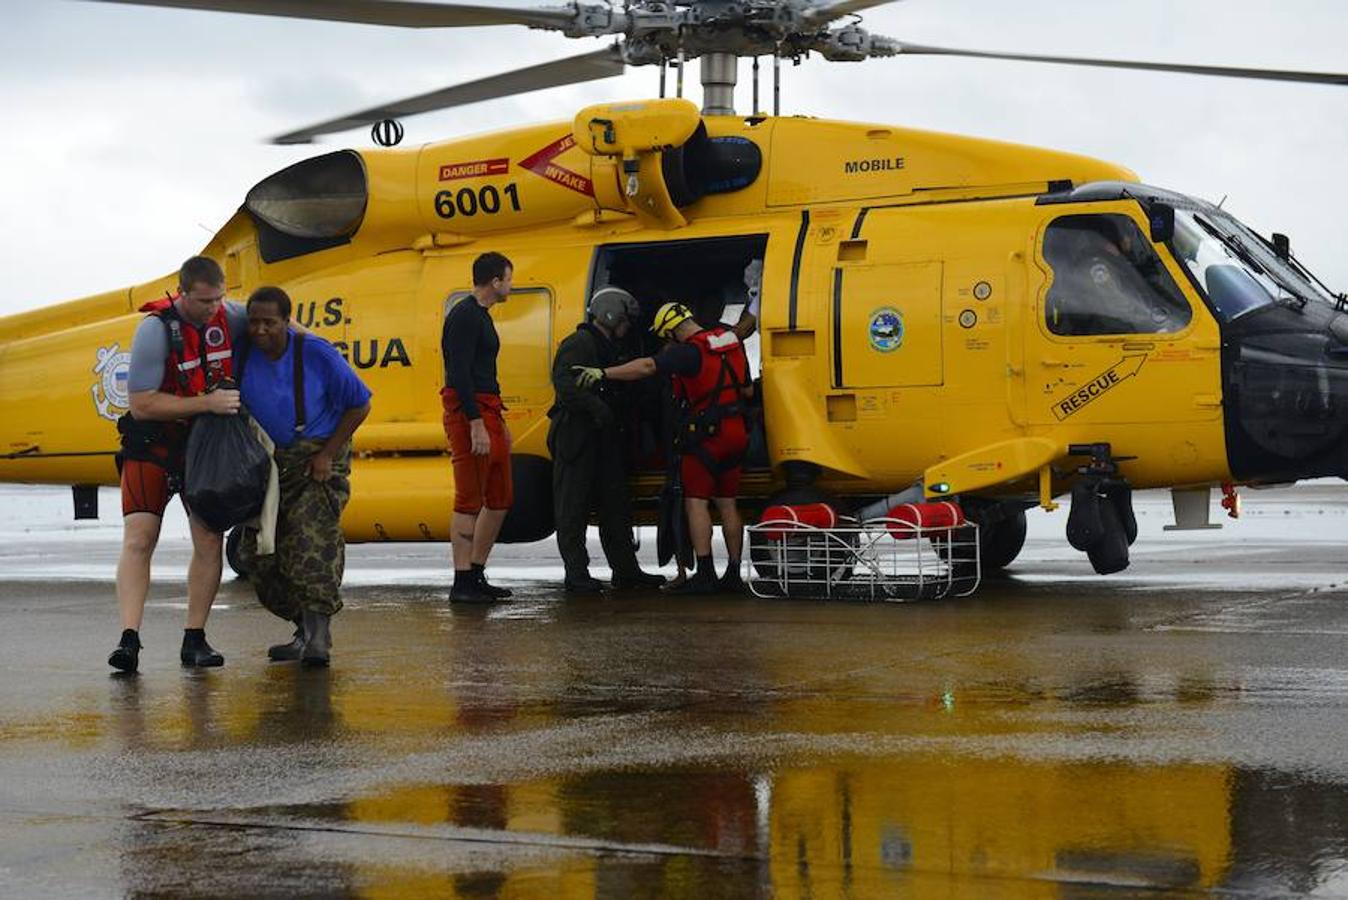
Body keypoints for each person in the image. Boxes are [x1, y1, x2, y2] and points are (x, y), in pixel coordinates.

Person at [108, 256, 246, 672]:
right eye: (204, 301)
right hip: (152, 444)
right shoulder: (155, 330)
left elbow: (278, 323)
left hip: (202, 448)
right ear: (183, 293)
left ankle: (195, 639)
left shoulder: (232, 317)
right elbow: (143, 404)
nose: (212, 309)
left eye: (218, 299)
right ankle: (129, 639)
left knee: (208, 540)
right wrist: (207, 402)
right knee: (140, 537)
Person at [234, 287, 372, 668]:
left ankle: (317, 638)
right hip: (266, 464)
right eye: (254, 322)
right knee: (257, 555)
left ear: (287, 321)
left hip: (315, 458)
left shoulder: (315, 351)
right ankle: (301, 627)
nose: (261, 330)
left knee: (313, 544)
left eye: (270, 323)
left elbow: (360, 404)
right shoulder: (243, 353)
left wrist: (328, 454)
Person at [574, 301, 752, 595]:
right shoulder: (730, 342)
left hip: (707, 438)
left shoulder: (689, 352)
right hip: (736, 432)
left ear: (671, 331)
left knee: (696, 502)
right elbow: (747, 390)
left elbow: (647, 366)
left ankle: (705, 573)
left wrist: (603, 373)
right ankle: (733, 574)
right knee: (728, 503)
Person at [549, 287, 666, 593]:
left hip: (606, 439)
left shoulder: (611, 348)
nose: (627, 327)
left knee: (616, 507)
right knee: (572, 508)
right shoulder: (579, 344)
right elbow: (565, 385)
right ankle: (576, 574)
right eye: (625, 320)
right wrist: (599, 409)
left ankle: (626, 571)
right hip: (578, 438)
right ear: (610, 314)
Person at [441, 252, 515, 603]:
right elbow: (459, 374)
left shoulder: (482, 317)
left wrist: (498, 422)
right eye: (509, 279)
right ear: (495, 282)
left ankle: (477, 571)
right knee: (469, 498)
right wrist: (475, 424)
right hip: (469, 412)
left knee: (500, 498)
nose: (511, 286)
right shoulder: (464, 316)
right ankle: (462, 581)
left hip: (489, 410)